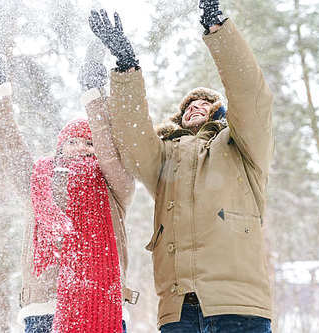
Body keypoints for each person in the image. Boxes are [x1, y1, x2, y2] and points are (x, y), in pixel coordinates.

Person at [89, 0, 274, 332]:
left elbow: (250, 95)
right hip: (177, 308)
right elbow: (133, 138)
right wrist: (126, 67)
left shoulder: (242, 144)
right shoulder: (165, 155)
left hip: (236, 303)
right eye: (190, 105)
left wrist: (219, 30)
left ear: (219, 114)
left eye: (206, 104)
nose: (196, 107)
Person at [0, 26, 137, 333]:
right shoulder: (39, 179)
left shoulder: (114, 184)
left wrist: (93, 89)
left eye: (89, 142)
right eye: (73, 142)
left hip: (103, 303)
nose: (82, 148)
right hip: (45, 307)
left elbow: (109, 148)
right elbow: (9, 143)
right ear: (60, 147)